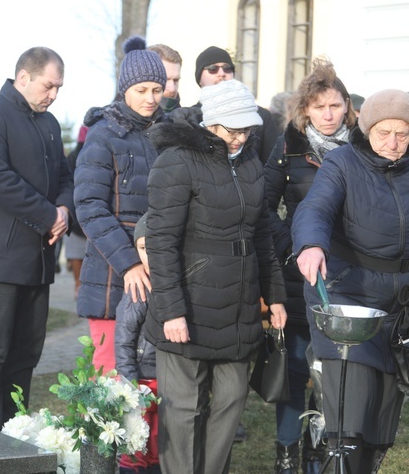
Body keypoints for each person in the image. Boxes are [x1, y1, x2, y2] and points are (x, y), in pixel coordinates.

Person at [145, 79, 287, 473]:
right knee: (185, 408)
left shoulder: (251, 163)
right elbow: (160, 242)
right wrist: (172, 310)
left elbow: (261, 233)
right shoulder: (176, 162)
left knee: (231, 400)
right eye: (232, 129)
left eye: (246, 129)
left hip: (238, 308)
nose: (240, 137)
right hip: (187, 306)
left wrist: (275, 296)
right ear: (211, 124)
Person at [292, 89, 409, 473]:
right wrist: (311, 245)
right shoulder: (342, 162)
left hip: (399, 306)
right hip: (349, 296)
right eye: (384, 133)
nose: (393, 143)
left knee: (380, 423)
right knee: (350, 420)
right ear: (366, 129)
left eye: (403, 134)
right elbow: (316, 208)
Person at [0, 46, 73, 430]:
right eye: (48, 86)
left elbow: (64, 177)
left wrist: (63, 209)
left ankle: (14, 429)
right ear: (23, 77)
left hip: (38, 258)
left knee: (26, 353)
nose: (53, 95)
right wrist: (47, 216)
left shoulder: (50, 123)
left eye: (59, 88)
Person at [264, 58, 356, 474]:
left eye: (335, 106)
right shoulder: (289, 147)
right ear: (306, 110)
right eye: (320, 107)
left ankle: (319, 449)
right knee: (296, 364)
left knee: (331, 368)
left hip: (346, 273)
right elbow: (264, 207)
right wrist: (290, 250)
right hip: (297, 271)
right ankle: (287, 451)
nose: (329, 114)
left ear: (347, 107)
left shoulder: (362, 147)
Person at [74, 36, 166, 374]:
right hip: (113, 276)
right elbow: (89, 206)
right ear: (125, 88)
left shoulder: (169, 134)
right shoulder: (103, 135)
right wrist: (129, 264)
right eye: (141, 90)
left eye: (157, 89)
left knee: (154, 377)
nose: (150, 98)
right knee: (112, 376)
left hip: (161, 270)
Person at [170, 46, 279, 164]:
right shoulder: (189, 118)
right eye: (212, 68)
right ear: (199, 78)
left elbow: (271, 168)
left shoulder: (260, 116)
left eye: (227, 68)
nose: (221, 73)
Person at [115, 212, 160, 474]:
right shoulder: (137, 291)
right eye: (143, 248)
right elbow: (124, 342)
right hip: (141, 383)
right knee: (136, 441)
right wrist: (129, 385)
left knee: (157, 443)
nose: (150, 255)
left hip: (165, 382)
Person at [64, 124, 88, 299]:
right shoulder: (99, 151)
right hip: (82, 210)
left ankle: (78, 285)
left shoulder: (72, 156)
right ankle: (80, 285)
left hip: (75, 209)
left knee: (76, 254)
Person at [148, 43, 182, 113]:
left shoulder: (186, 120)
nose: (172, 89)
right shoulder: (121, 120)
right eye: (165, 80)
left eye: (176, 80)